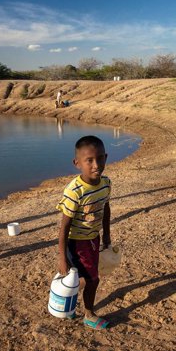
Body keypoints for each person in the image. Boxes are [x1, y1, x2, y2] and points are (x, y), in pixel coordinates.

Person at [56, 135, 112, 330]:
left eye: (100, 158)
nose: (96, 165)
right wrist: (61, 256)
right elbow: (64, 227)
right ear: (77, 163)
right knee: (92, 279)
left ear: (106, 157)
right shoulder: (74, 191)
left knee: (81, 277)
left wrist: (106, 234)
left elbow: (105, 208)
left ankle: (69, 306)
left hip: (93, 238)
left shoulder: (105, 183)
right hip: (77, 242)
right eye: (89, 160)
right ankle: (89, 313)